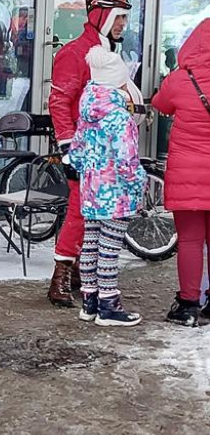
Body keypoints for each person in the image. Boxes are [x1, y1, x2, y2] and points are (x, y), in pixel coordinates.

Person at [47, 0, 142, 308]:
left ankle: (81, 281)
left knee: (89, 217)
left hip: (99, 149)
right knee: (79, 213)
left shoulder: (103, 53)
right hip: (87, 150)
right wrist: (69, 145)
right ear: (101, 14)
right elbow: (59, 100)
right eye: (119, 18)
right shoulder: (77, 53)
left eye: (124, 19)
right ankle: (62, 277)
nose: (122, 25)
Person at [70, 47, 146, 327]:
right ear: (117, 82)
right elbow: (127, 161)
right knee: (109, 249)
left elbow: (76, 153)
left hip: (90, 191)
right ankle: (108, 306)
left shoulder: (88, 112)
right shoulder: (119, 117)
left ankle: (89, 302)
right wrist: (139, 182)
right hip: (115, 194)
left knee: (90, 244)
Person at [152, 18, 210, 327]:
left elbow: (161, 104)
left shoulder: (178, 79)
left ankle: (188, 305)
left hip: (188, 175)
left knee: (189, 241)